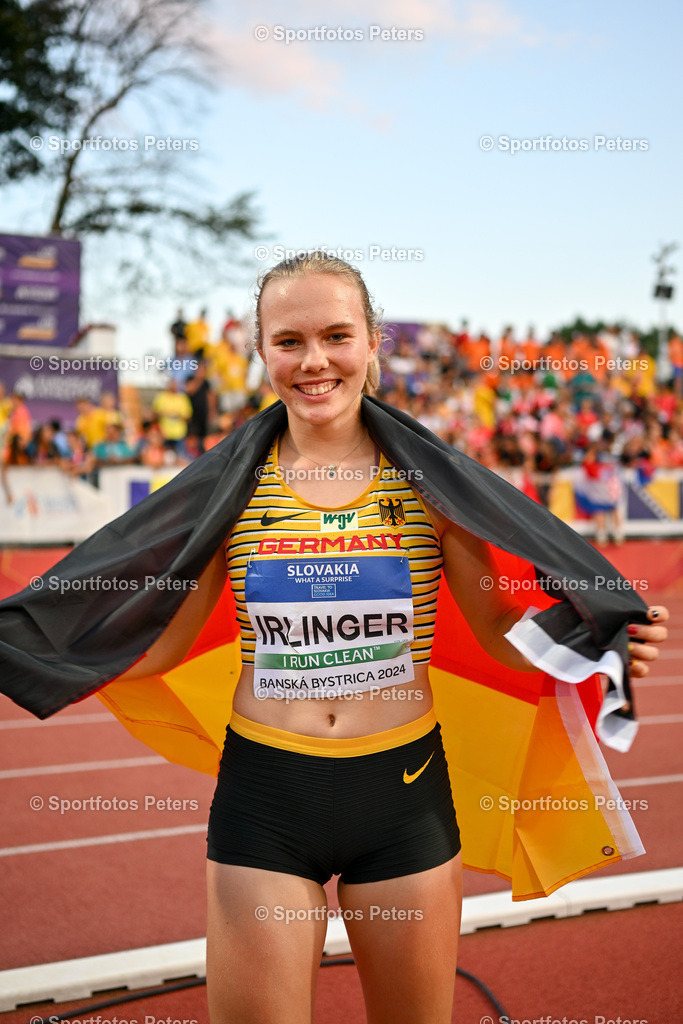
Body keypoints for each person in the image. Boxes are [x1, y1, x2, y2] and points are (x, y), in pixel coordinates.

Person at [0, 254, 670, 1024]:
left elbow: (493, 631)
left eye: (335, 336)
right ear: (261, 352)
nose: (313, 361)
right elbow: (162, 641)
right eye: (288, 341)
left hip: (403, 795)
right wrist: (39, 653)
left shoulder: (432, 488)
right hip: (265, 798)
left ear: (373, 341)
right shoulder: (229, 493)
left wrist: (594, 651)